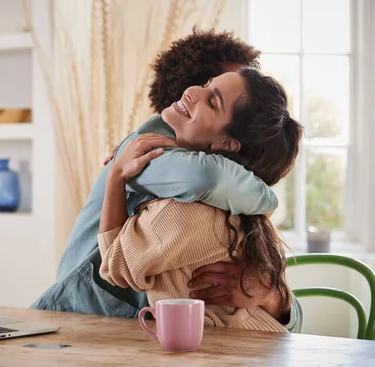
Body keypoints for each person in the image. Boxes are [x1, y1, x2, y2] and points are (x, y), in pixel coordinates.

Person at [31, 29, 302, 332]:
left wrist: (271, 295)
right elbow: (204, 177)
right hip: (87, 313)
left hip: (148, 334)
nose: (193, 92)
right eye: (208, 89)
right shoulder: (153, 156)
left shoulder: (231, 200)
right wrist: (265, 199)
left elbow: (290, 319)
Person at [99, 67, 302, 332]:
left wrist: (115, 175)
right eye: (205, 84)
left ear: (227, 143)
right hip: (261, 348)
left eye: (212, 101)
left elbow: (115, 267)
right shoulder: (244, 211)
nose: (192, 92)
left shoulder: (180, 213)